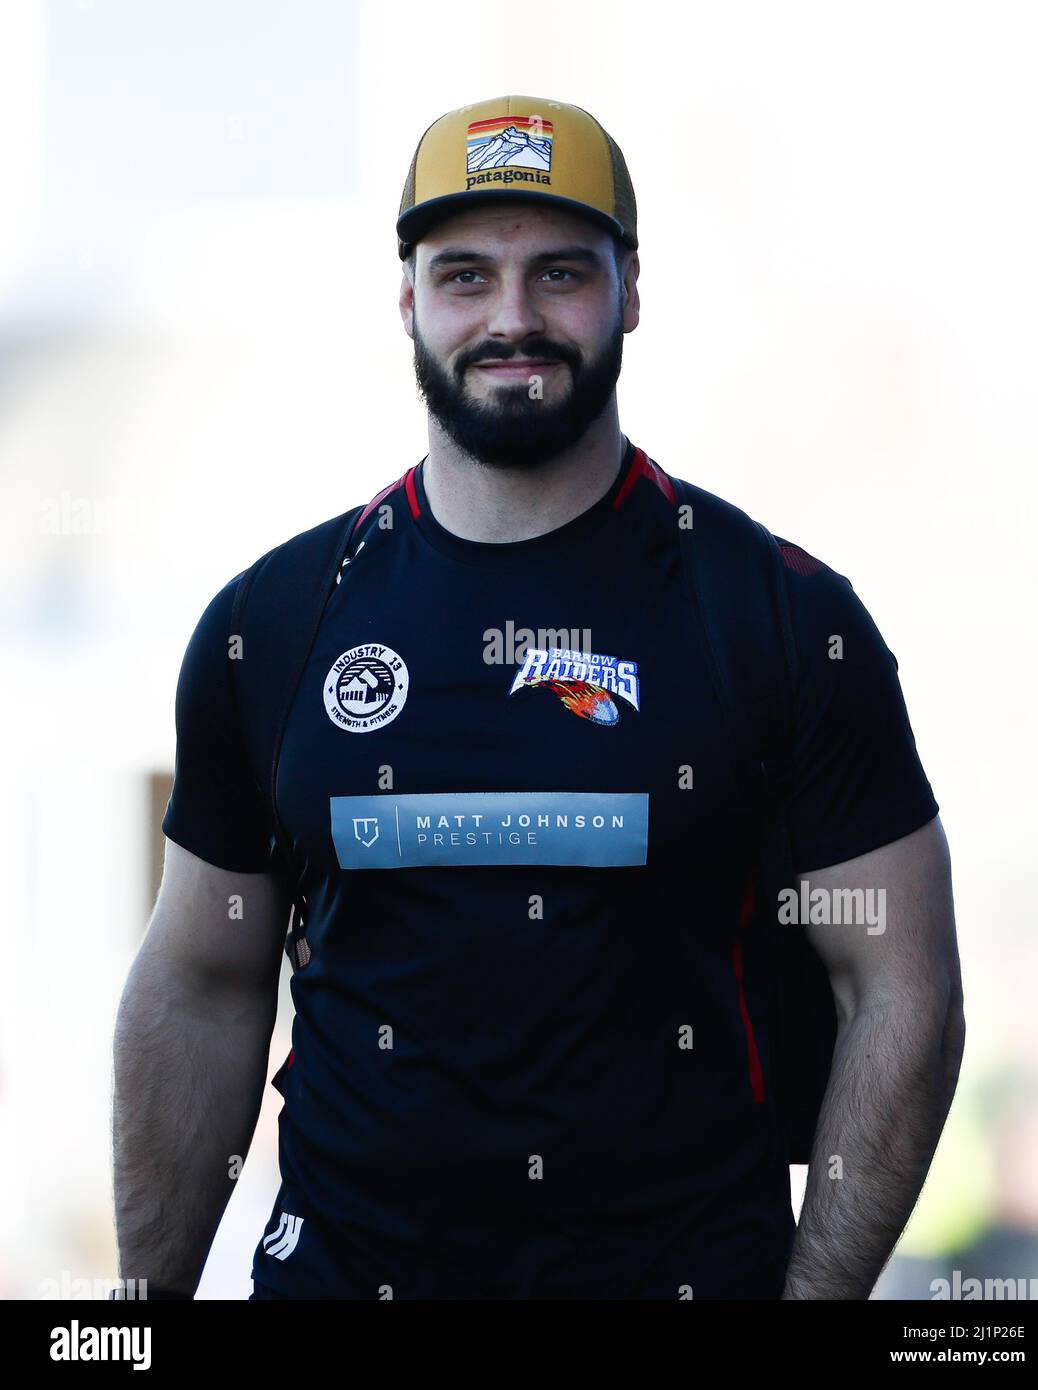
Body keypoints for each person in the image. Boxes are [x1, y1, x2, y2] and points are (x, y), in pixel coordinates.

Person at [111, 95, 964, 1301]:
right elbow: (201, 984)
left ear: (631, 289)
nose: (512, 317)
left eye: (559, 271)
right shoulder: (277, 623)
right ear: (407, 301)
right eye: (465, 275)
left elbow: (902, 988)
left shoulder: (780, 619)